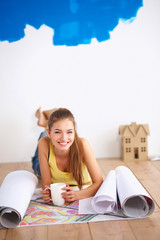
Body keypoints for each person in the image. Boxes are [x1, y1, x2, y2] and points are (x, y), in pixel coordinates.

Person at [32, 107, 103, 203]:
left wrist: (77, 195)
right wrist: (47, 193)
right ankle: (46, 125)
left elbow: (99, 182)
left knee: (57, 141)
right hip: (46, 151)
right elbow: (47, 185)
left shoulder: (83, 144)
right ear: (49, 133)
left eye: (69, 132)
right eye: (57, 132)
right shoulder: (44, 143)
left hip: (53, 142)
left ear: (74, 132)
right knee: (37, 165)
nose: (64, 137)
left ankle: (46, 122)